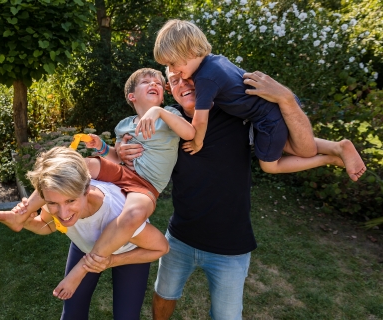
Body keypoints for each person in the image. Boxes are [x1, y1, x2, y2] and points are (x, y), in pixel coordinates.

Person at [110, 68, 362, 320]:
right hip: (180, 236)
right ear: (170, 91)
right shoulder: (168, 122)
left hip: (230, 246)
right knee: (163, 295)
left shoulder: (232, 113)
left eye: (189, 78)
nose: (184, 84)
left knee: (227, 316)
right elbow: (133, 145)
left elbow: (284, 141)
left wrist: (330, 152)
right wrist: (120, 150)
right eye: (174, 82)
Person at [0, 68, 195, 300]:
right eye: (146, 81)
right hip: (121, 174)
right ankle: (23, 213)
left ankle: (83, 267)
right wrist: (103, 149)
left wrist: (158, 112)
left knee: (131, 216)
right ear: (132, 96)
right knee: (80, 165)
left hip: (145, 185)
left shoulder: (168, 113)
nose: (155, 83)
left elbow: (190, 132)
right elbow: (116, 158)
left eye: (158, 82)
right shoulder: (124, 125)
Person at [153, 19, 366, 181]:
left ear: (189, 51)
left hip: (266, 118)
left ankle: (330, 156)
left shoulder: (205, 78)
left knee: (272, 165)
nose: (173, 71)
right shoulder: (216, 62)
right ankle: (338, 148)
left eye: (172, 64)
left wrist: (197, 141)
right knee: (292, 147)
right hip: (268, 109)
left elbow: (200, 120)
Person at [0, 146, 169, 320]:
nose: (63, 214)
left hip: (128, 252)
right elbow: (47, 224)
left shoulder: (116, 213)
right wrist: (27, 221)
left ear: (87, 190)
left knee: (126, 317)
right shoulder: (54, 196)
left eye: (70, 201)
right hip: (84, 247)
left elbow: (161, 248)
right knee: (71, 314)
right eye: (53, 203)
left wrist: (111, 261)